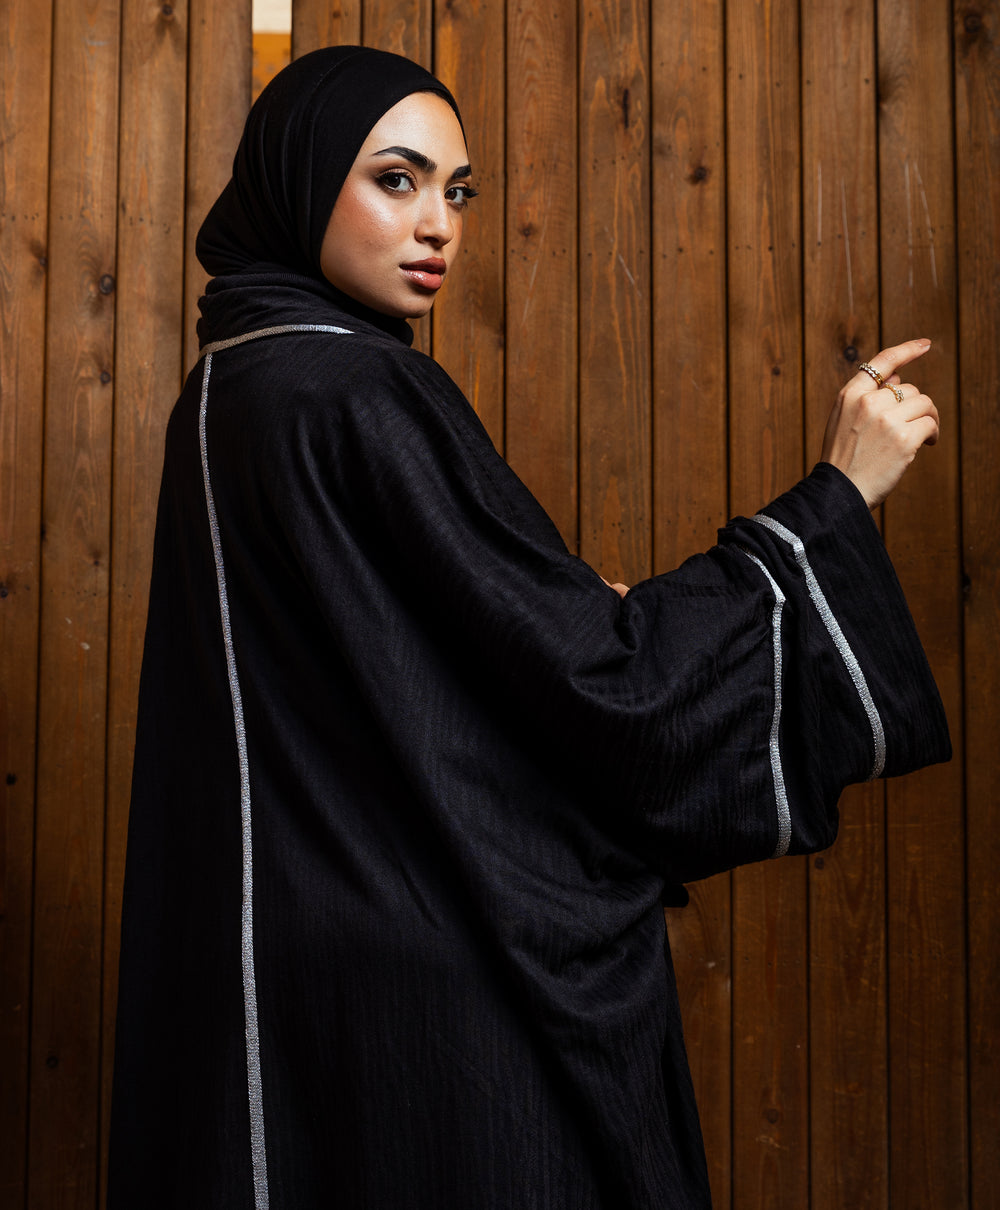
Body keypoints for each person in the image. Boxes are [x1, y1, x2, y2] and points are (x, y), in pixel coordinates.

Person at [109, 45, 950, 1210]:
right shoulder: (360, 391)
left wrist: (556, 606)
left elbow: (407, 647)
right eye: (395, 180)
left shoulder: (230, 386)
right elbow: (606, 683)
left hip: (292, 955)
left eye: (455, 191)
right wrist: (834, 497)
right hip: (428, 982)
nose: (438, 226)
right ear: (301, 180)